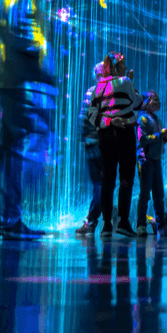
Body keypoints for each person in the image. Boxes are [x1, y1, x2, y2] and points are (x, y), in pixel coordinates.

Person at [0, 0, 56, 240]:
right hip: (19, 76)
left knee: (13, 144)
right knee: (22, 144)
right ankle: (7, 217)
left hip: (16, 75)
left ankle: (4, 217)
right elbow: (11, 24)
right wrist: (37, 68)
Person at [91, 51, 144, 238]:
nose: (124, 68)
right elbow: (137, 103)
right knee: (126, 179)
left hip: (105, 136)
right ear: (115, 66)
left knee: (107, 179)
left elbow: (92, 116)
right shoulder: (125, 82)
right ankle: (123, 222)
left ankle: (106, 226)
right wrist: (131, 82)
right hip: (125, 133)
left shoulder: (98, 86)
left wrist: (108, 122)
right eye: (122, 65)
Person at [135, 91, 167, 236]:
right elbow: (142, 139)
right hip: (145, 161)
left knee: (159, 194)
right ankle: (141, 226)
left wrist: (165, 137)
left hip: (156, 160)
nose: (158, 102)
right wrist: (159, 135)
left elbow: (159, 141)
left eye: (158, 99)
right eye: (154, 99)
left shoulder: (156, 119)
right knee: (145, 195)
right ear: (147, 101)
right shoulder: (143, 119)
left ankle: (161, 224)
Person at [75, 62, 105, 237]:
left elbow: (83, 119)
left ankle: (92, 221)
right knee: (101, 184)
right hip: (98, 144)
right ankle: (94, 221)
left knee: (100, 185)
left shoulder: (94, 92)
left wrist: (84, 140)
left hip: (95, 144)